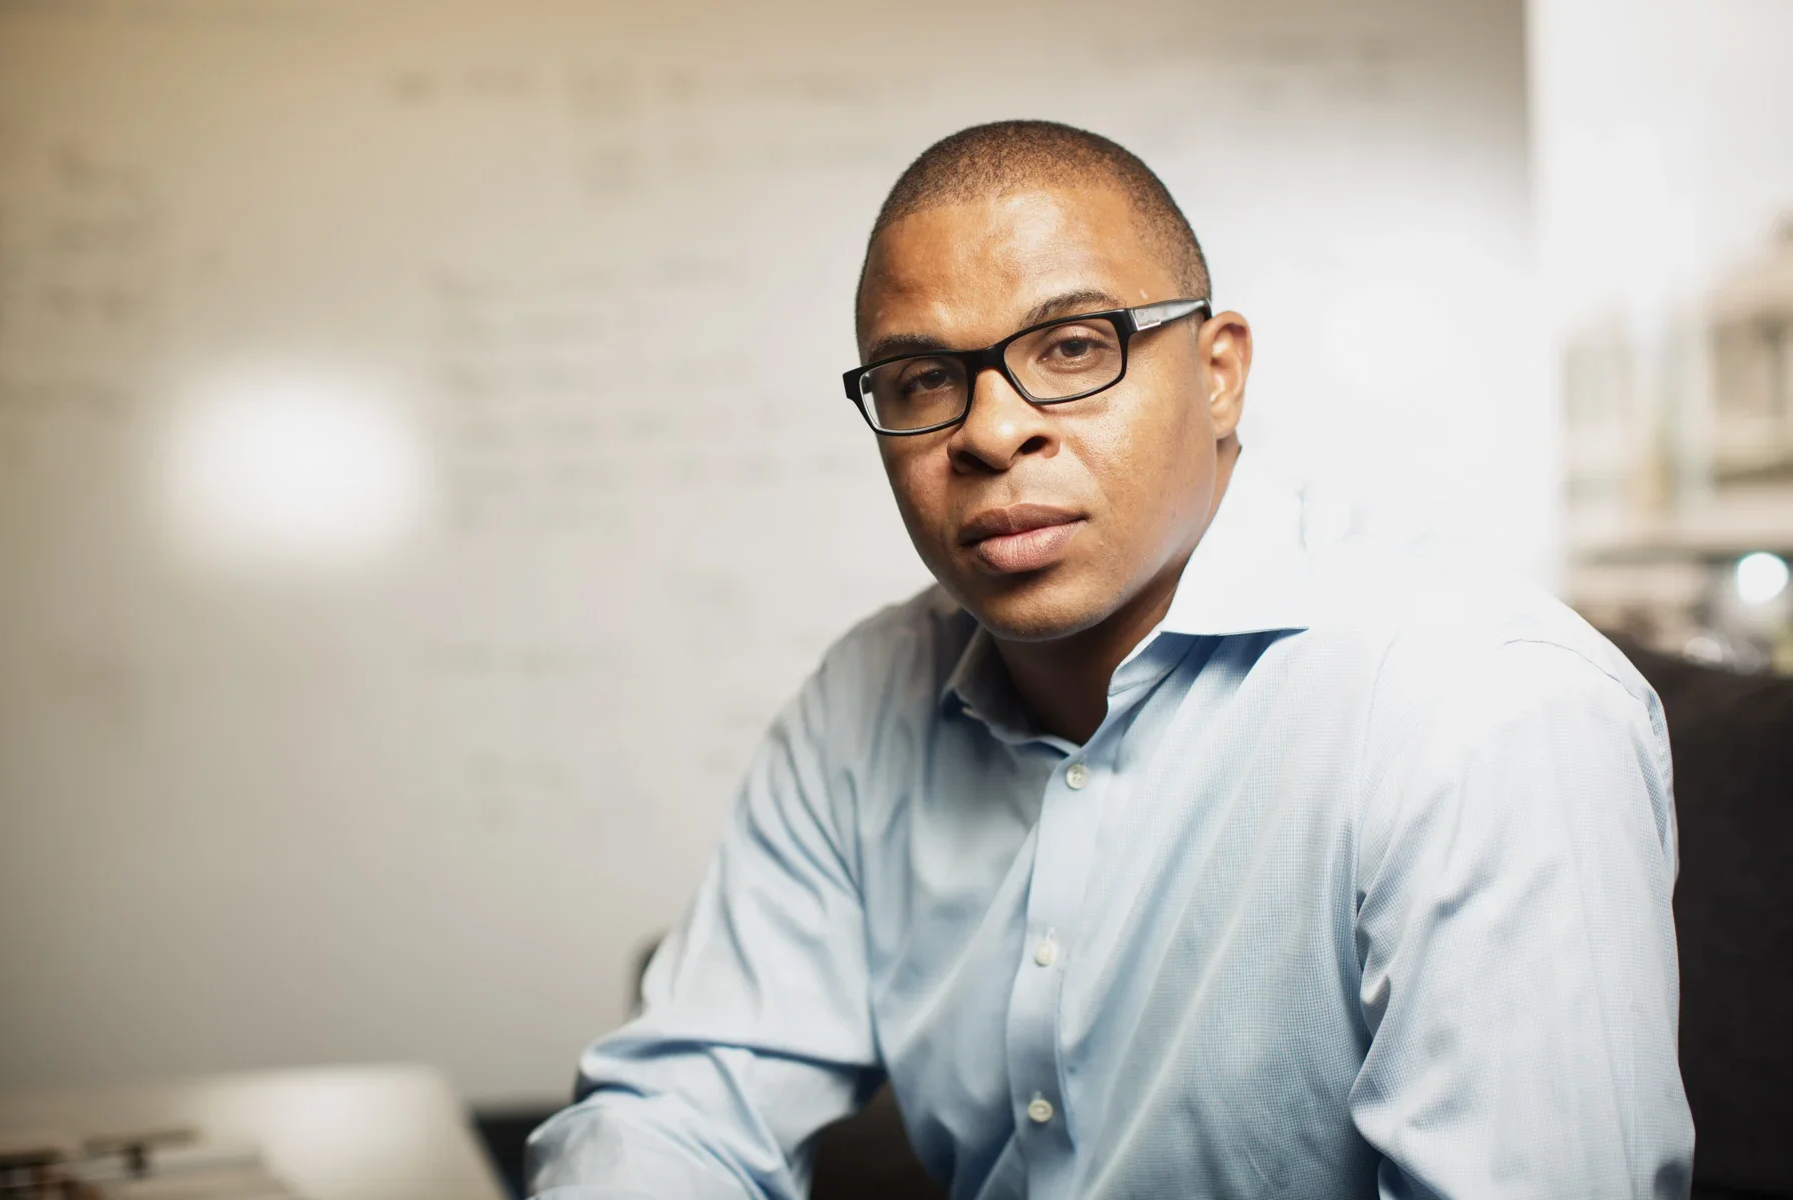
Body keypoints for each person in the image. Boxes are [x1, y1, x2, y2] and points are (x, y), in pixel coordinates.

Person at [527, 121, 1693, 1199]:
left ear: (1220, 371)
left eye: (1074, 346)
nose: (988, 432)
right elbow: (674, 1112)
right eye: (922, 380)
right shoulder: (867, 700)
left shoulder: (1483, 708)